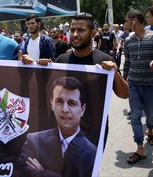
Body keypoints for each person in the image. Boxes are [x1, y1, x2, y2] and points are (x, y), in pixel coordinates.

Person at [55, 13, 128, 147]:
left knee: (91, 168)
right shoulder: (61, 61)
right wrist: (33, 66)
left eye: (81, 30)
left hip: (94, 133)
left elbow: (124, 94)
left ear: (93, 33)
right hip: (63, 131)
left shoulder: (105, 61)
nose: (75, 34)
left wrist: (115, 73)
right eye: (72, 30)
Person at [18, 76, 96, 177]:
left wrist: (42, 174)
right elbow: (21, 172)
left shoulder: (92, 153)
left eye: (72, 103)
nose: (65, 109)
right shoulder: (34, 140)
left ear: (83, 109)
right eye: (59, 101)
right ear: (52, 104)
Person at [123, 9, 153, 164]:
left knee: (151, 114)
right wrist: (123, 81)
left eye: (127, 21)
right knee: (135, 116)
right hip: (134, 84)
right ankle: (140, 148)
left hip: (150, 85)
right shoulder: (128, 41)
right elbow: (127, 63)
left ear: (135, 21)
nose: (125, 24)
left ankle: (150, 129)